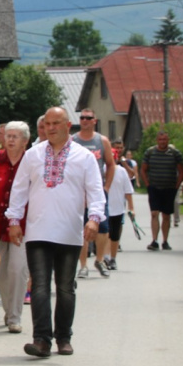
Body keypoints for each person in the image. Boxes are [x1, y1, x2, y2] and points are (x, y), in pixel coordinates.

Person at [5, 106, 105, 358]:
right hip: (37, 230)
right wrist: (14, 219)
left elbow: (95, 190)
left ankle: (63, 337)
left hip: (70, 231)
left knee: (65, 287)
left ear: (68, 125)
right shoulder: (33, 155)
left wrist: (94, 218)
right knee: (39, 285)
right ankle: (41, 340)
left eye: (56, 123)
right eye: (47, 124)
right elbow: (19, 188)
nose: (50, 128)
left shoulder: (84, 157)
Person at [0, 121, 31, 333]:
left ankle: (14, 317)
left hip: (23, 226)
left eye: (15, 136)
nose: (10, 140)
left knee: (17, 270)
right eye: (8, 136)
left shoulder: (31, 160)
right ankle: (9, 306)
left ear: (25, 141)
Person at [73, 109, 116, 279]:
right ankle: (83, 265)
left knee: (102, 227)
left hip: (96, 191)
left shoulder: (101, 141)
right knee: (81, 228)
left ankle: (99, 259)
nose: (85, 120)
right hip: (78, 192)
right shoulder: (73, 140)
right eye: (82, 118)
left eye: (88, 118)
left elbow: (111, 164)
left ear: (94, 121)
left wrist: (106, 187)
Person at [140, 132, 183, 251]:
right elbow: (143, 169)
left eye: (164, 139)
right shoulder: (150, 152)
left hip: (169, 188)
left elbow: (181, 171)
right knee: (154, 213)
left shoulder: (175, 153)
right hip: (154, 187)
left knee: (166, 215)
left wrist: (176, 186)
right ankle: (154, 240)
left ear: (168, 140)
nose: (162, 142)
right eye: (160, 139)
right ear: (157, 140)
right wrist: (147, 184)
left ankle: (165, 241)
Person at [104, 154, 135, 272]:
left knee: (114, 235)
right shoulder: (101, 169)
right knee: (105, 233)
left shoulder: (121, 171)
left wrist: (131, 208)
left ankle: (113, 258)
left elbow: (128, 190)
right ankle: (105, 257)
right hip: (104, 207)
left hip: (117, 208)